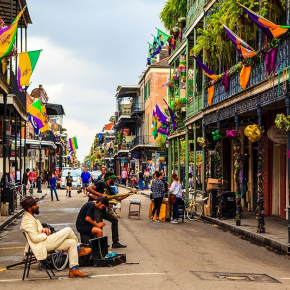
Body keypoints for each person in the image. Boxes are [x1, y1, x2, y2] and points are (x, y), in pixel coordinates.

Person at [20, 196, 91, 278]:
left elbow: (38, 231)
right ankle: (79, 249)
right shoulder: (27, 221)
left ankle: (73, 270)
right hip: (42, 244)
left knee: (72, 243)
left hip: (44, 241)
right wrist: (45, 234)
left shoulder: (31, 217)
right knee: (68, 230)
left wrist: (45, 230)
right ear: (29, 208)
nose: (37, 205)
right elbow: (35, 238)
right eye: (35, 204)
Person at [86, 172, 127, 248]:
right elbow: (88, 188)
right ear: (109, 179)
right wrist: (100, 195)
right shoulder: (101, 184)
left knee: (114, 221)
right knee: (98, 225)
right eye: (113, 179)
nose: (114, 181)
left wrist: (129, 194)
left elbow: (117, 198)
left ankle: (115, 242)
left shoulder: (110, 188)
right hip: (96, 208)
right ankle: (98, 245)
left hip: (103, 210)